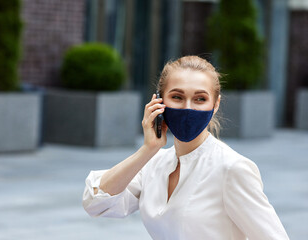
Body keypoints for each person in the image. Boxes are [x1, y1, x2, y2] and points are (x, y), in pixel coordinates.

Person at [82, 56, 289, 240]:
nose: (188, 107)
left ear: (215, 104)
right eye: (177, 97)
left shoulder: (232, 168)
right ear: (159, 101)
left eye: (200, 99)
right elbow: (96, 203)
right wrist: (147, 150)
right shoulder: (155, 163)